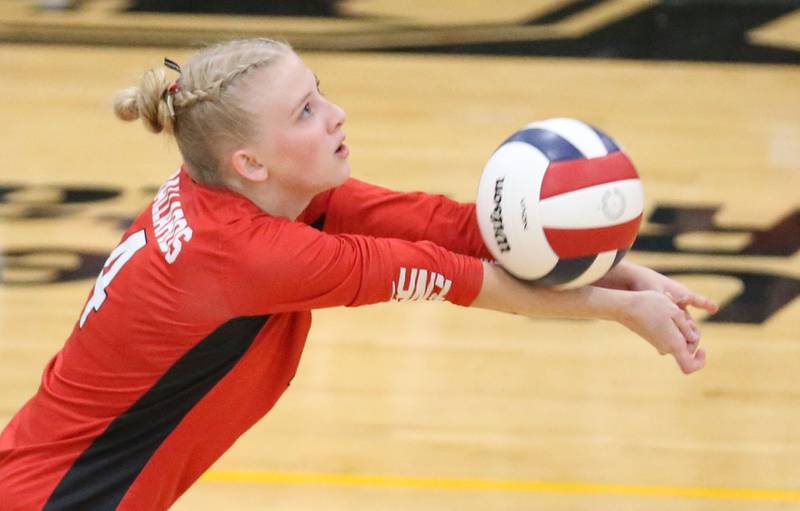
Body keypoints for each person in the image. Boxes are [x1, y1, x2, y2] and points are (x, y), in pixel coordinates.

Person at [0, 38, 717, 510]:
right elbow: (448, 274)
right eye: (306, 112)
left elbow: (456, 229)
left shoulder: (273, 199)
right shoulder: (250, 255)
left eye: (321, 91)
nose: (336, 114)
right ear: (250, 160)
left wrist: (621, 269)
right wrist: (618, 311)